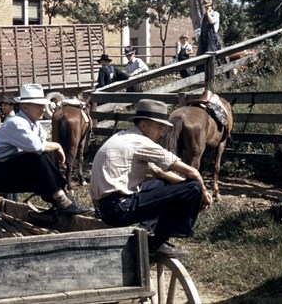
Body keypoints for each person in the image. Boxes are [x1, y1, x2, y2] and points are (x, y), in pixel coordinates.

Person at [90, 99, 212, 258]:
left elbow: (160, 173)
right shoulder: (141, 142)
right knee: (193, 187)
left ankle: (148, 229)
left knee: (164, 183)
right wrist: (200, 193)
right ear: (143, 125)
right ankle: (156, 244)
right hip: (119, 209)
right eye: (159, 127)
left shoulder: (124, 137)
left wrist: (180, 189)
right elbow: (193, 173)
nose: (162, 134)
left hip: (107, 207)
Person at [0, 83, 92, 216]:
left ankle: (60, 203)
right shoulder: (16, 123)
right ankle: (63, 202)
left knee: (39, 158)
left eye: (43, 105)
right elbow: (36, 146)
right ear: (25, 107)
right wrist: (57, 146)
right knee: (38, 157)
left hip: (9, 171)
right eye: (38, 105)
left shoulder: (35, 125)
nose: (42, 109)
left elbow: (40, 146)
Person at [196, 0, 221, 73]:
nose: (207, 8)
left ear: (212, 5)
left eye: (208, 6)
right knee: (200, 58)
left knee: (211, 59)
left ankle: (214, 76)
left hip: (211, 40)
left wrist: (208, 13)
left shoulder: (215, 14)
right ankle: (198, 78)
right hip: (203, 39)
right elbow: (201, 28)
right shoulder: (203, 15)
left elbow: (211, 22)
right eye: (205, 6)